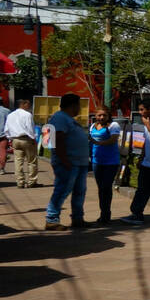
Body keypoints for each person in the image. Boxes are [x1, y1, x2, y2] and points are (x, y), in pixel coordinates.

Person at [45, 93, 90, 231]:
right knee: (62, 190)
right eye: (79, 106)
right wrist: (64, 160)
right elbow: (56, 139)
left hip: (78, 163)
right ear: (73, 105)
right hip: (69, 163)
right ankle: (52, 219)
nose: (79, 109)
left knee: (79, 191)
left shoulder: (68, 119)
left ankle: (78, 218)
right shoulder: (60, 118)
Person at [88, 107, 121, 224]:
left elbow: (113, 140)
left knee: (106, 188)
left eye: (104, 115)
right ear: (95, 116)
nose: (101, 117)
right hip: (96, 162)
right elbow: (90, 143)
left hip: (111, 162)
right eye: (99, 115)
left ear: (108, 116)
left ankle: (106, 214)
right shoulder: (92, 126)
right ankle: (103, 213)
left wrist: (96, 142)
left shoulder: (113, 126)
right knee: (101, 189)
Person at [4, 99, 38, 187]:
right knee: (31, 161)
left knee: (18, 161)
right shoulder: (27, 115)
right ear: (23, 104)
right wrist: (34, 139)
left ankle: (20, 182)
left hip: (15, 140)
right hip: (26, 139)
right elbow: (30, 128)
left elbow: (6, 130)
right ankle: (32, 182)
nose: (29, 106)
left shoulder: (10, 115)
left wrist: (10, 139)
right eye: (28, 104)